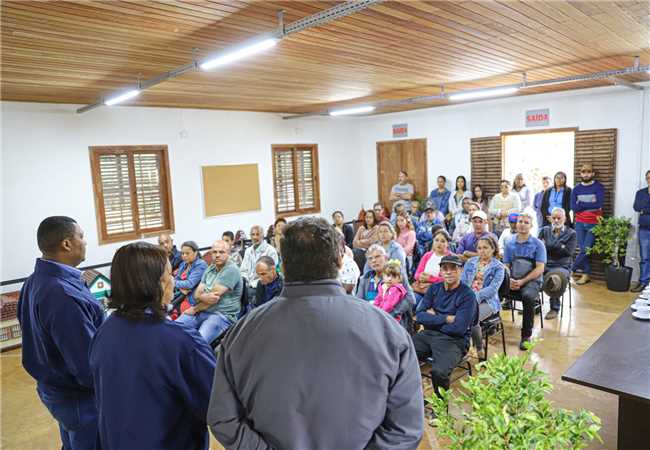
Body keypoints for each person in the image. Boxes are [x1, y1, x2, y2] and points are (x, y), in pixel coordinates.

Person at [208, 218, 424, 449]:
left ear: (283, 263)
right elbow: (405, 429)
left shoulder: (242, 334)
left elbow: (223, 419)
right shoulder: (388, 332)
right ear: (340, 260)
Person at [89, 242, 216, 450]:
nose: (173, 281)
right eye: (169, 274)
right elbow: (215, 404)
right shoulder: (180, 341)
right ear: (156, 283)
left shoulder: (104, 331)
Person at [18, 216, 104, 450]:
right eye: (82, 237)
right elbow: (86, 365)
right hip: (80, 398)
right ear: (67, 244)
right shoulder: (62, 294)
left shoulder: (34, 281)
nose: (85, 242)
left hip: (54, 388)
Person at [413, 254, 478, 398]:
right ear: (440, 272)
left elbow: (459, 328)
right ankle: (409, 398)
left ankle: (441, 409)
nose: (448, 272)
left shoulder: (467, 295)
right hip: (429, 335)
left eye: (453, 268)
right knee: (403, 355)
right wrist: (447, 318)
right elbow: (420, 315)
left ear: (460, 270)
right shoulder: (434, 289)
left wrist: (433, 319)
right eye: (445, 268)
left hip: (455, 340)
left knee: (439, 372)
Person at [176, 240, 243, 344]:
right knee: (174, 329)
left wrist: (194, 309)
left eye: (221, 252)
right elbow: (196, 294)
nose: (217, 255)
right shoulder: (210, 268)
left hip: (221, 315)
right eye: (214, 252)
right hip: (202, 310)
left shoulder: (231, 270)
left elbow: (212, 299)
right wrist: (202, 297)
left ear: (228, 253)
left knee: (199, 343)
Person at [503, 213, 547, 350]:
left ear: (531, 226)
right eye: (520, 221)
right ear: (516, 224)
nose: (522, 224)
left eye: (526, 222)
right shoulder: (509, 243)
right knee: (494, 290)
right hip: (513, 279)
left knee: (528, 297)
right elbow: (506, 265)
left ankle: (526, 336)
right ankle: (491, 327)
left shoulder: (538, 244)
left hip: (531, 281)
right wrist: (508, 279)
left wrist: (522, 281)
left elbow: (540, 268)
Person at [460, 236, 505, 359]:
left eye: (485, 248)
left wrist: (474, 297)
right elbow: (462, 282)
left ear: (493, 249)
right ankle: (461, 347)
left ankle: (479, 348)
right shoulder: (470, 262)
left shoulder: (499, 267)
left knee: (471, 317)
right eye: (479, 248)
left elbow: (492, 289)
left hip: (488, 301)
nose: (482, 251)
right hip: (467, 298)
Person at [538, 208, 577, 319]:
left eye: (559, 218)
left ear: (564, 219)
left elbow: (568, 252)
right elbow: (538, 247)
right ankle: (535, 304)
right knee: (532, 272)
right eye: (554, 218)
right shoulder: (544, 230)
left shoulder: (571, 233)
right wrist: (560, 245)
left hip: (562, 265)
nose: (556, 220)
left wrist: (549, 245)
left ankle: (554, 308)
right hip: (545, 263)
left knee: (555, 278)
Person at [571, 163, 605, 285]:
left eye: (588, 171)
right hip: (579, 222)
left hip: (593, 223)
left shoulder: (598, 187)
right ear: (580, 173)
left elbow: (598, 204)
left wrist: (581, 205)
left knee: (585, 250)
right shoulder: (576, 189)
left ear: (593, 173)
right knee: (582, 249)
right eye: (583, 171)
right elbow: (573, 207)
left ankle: (570, 269)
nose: (586, 174)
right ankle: (586, 275)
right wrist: (588, 205)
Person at [357, 244, 416, 309]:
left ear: (386, 258)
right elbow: (359, 302)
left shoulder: (396, 275)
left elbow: (410, 299)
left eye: (377, 256)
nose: (373, 260)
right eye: (370, 258)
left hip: (390, 316)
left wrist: (393, 313)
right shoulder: (365, 278)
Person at [412, 229, 452, 307]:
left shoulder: (450, 258)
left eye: (442, 241)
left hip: (438, 292)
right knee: (409, 303)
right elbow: (416, 274)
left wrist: (430, 279)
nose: (439, 244)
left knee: (420, 308)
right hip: (421, 289)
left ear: (447, 244)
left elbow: (447, 279)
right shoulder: (427, 255)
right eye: (436, 240)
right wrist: (421, 276)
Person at [171, 241, 208, 317]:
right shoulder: (184, 264)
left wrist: (172, 282)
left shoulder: (201, 265)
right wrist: (180, 285)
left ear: (195, 253)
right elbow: (177, 278)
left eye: (187, 253)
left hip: (192, 299)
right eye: (182, 253)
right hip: (181, 294)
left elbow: (189, 284)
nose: (184, 256)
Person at [240, 225, 279, 290]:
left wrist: (256, 284)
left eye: (258, 234)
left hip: (264, 287)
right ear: (250, 236)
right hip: (248, 285)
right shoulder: (248, 251)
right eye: (253, 234)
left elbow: (272, 273)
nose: (255, 237)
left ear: (263, 235)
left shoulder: (270, 250)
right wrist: (246, 281)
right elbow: (243, 270)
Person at [632, 170, 650, 292]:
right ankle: (643, 282)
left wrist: (645, 209)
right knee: (644, 258)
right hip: (644, 229)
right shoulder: (641, 193)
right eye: (648, 178)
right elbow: (636, 207)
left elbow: (643, 208)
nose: (649, 180)